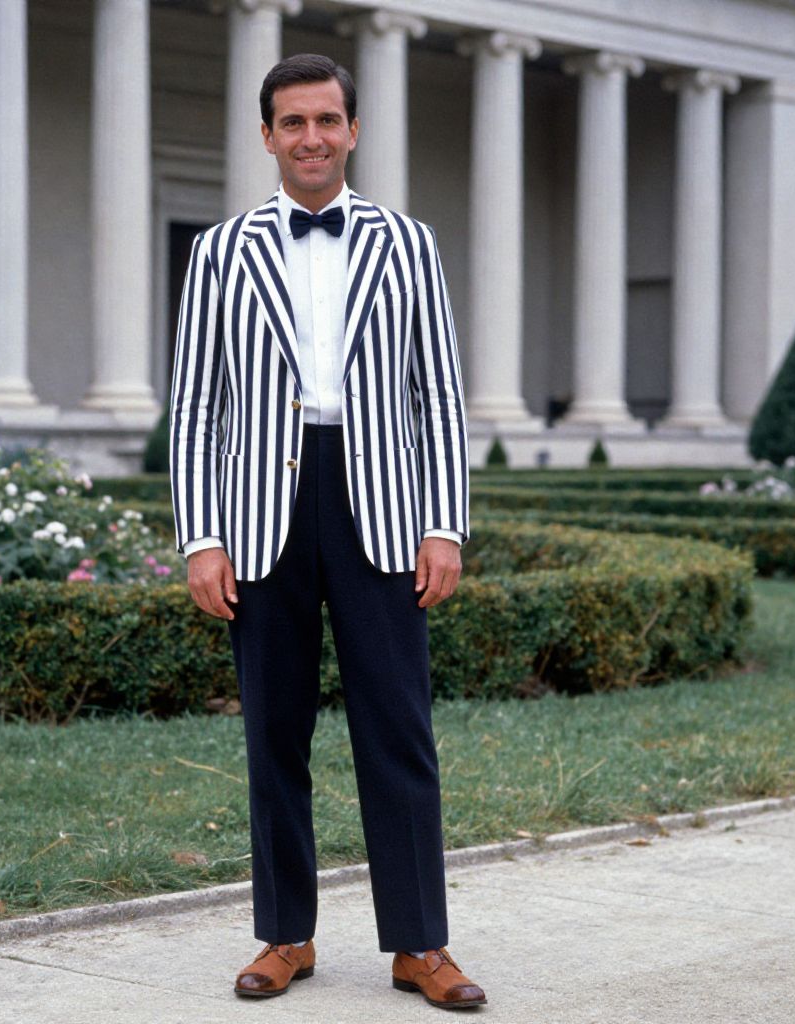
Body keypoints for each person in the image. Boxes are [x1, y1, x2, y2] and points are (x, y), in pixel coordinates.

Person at [168, 53, 484, 1010]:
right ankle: (286, 936)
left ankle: (419, 946)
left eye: (328, 121)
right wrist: (201, 538)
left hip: (381, 504)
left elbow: (440, 397)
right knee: (276, 733)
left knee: (399, 728)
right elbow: (195, 406)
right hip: (264, 511)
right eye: (292, 122)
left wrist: (444, 524)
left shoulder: (409, 244)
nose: (311, 137)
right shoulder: (220, 252)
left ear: (353, 130)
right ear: (266, 135)